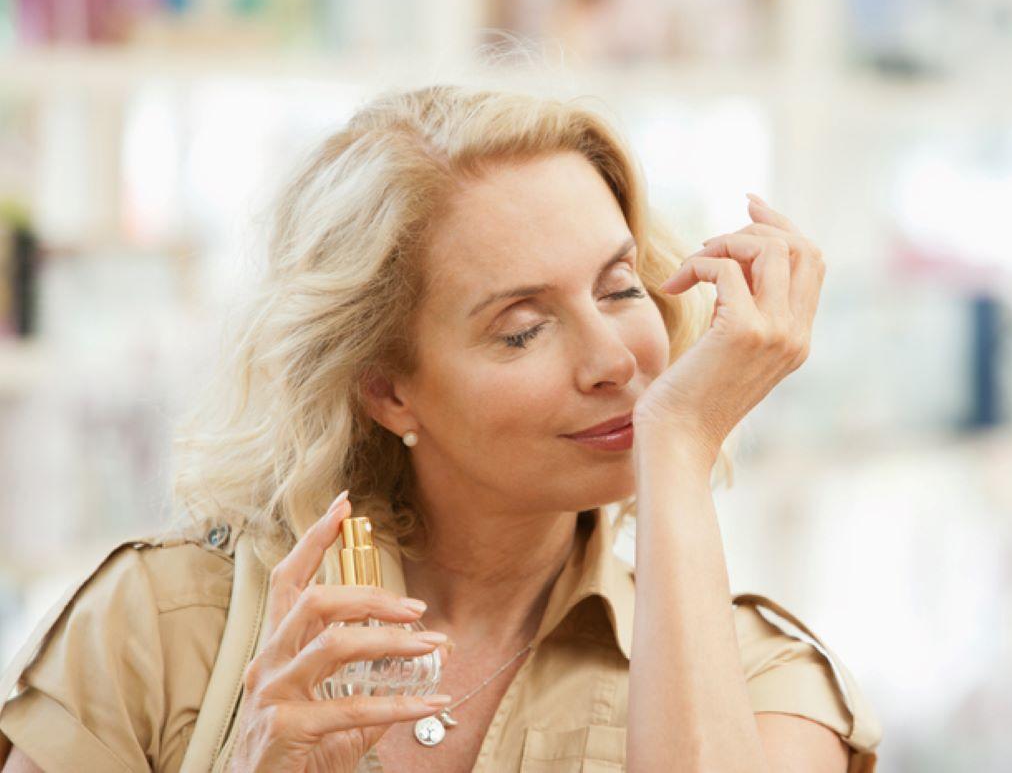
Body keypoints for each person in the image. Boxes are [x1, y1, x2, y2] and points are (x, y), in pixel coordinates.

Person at [0, 84, 882, 772]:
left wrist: (680, 443)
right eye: (522, 328)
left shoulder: (761, 679)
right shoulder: (159, 628)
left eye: (620, 287)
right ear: (388, 391)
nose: (614, 358)